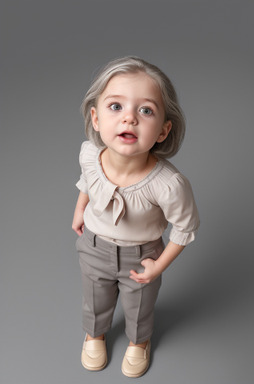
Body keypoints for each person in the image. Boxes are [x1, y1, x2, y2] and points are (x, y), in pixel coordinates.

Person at [72, 56, 200, 378]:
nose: (129, 118)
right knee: (94, 297)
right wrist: (79, 209)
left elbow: (185, 228)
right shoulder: (90, 154)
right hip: (95, 245)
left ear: (162, 130)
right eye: (116, 106)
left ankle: (139, 341)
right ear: (96, 118)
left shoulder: (168, 184)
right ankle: (94, 333)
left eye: (145, 110)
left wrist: (159, 265)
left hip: (142, 255)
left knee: (139, 305)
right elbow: (88, 181)